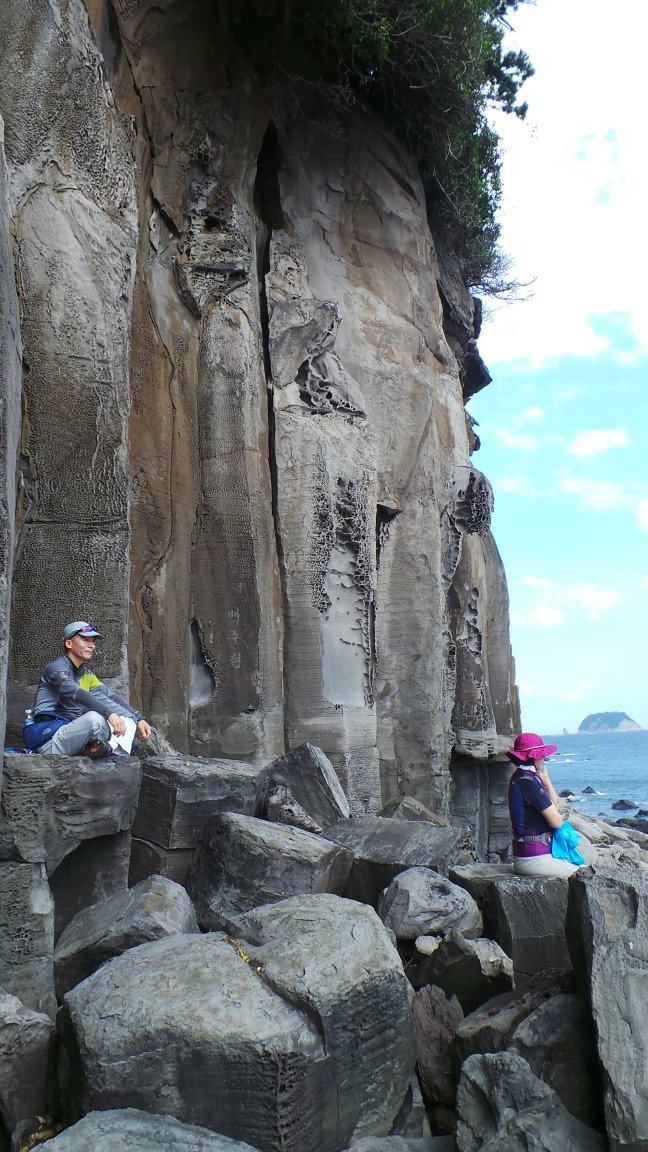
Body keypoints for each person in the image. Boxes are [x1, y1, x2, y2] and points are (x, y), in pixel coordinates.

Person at [25, 620, 151, 757]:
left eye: (93, 641)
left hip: (76, 737)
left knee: (126, 721)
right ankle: (112, 747)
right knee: (94, 719)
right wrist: (110, 714)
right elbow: (76, 693)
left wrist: (138, 719)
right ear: (69, 643)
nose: (91, 646)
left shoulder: (86, 675)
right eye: (85, 640)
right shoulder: (55, 669)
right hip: (50, 741)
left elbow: (109, 698)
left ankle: (109, 747)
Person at [507, 731, 583, 878]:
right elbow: (556, 822)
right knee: (585, 875)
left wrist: (546, 780)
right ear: (533, 756)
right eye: (541, 754)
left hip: (529, 855)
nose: (544, 757)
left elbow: (552, 803)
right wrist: (559, 816)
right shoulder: (528, 783)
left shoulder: (523, 777)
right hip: (535, 858)